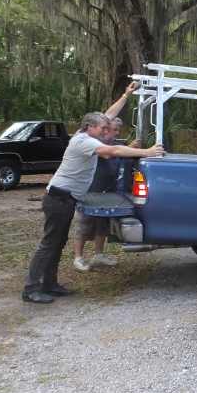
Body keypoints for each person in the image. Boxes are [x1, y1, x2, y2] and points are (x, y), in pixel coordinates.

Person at [22, 84, 165, 304]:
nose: (106, 132)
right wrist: (146, 152)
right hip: (58, 198)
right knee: (49, 243)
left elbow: (109, 114)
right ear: (90, 127)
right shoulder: (84, 141)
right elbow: (113, 151)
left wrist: (126, 95)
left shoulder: (87, 132)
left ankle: (50, 284)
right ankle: (31, 289)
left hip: (65, 198)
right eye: (102, 129)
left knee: (58, 242)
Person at [72, 116, 137, 272]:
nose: (115, 133)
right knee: (84, 225)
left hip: (107, 193)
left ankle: (99, 254)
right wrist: (131, 149)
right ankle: (78, 258)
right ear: (106, 129)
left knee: (102, 225)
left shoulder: (116, 145)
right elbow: (111, 154)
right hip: (90, 192)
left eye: (118, 131)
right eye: (113, 130)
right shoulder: (96, 145)